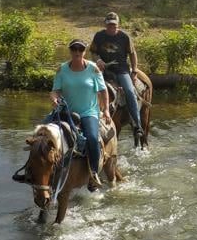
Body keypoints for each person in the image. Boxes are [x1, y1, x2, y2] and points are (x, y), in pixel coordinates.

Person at [50, 37, 111, 191]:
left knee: (92, 138)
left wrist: (106, 110)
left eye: (81, 49)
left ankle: (94, 174)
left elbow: (103, 90)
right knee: (41, 135)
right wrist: (54, 98)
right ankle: (36, 172)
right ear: (70, 51)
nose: (77, 52)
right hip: (66, 112)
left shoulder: (93, 69)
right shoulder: (62, 69)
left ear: (85, 51)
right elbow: (55, 90)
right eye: (74, 49)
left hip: (88, 112)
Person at [89, 12, 143, 141]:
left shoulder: (124, 37)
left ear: (118, 25)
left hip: (121, 70)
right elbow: (93, 51)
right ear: (105, 25)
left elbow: (133, 53)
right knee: (88, 87)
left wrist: (134, 70)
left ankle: (137, 125)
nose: (111, 27)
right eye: (109, 25)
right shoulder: (99, 36)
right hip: (103, 70)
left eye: (114, 25)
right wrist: (98, 60)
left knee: (129, 91)